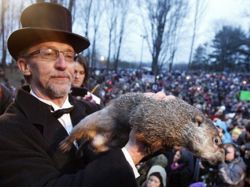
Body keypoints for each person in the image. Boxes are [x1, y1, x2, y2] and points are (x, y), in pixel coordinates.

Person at [0, 3, 171, 187]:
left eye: (69, 54)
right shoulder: (8, 130)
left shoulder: (91, 110)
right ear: (25, 66)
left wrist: (156, 120)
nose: (62, 64)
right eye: (48, 53)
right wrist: (132, 153)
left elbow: (131, 142)